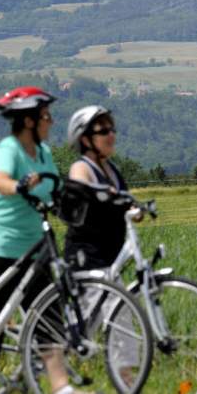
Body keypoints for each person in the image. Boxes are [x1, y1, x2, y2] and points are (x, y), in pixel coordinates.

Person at [0, 86, 88, 394]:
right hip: (0, 246)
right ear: (29, 121)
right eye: (47, 116)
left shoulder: (44, 153)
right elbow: (1, 181)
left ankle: (61, 386)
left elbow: (54, 187)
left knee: (49, 317)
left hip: (35, 246)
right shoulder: (8, 150)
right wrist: (19, 186)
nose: (52, 122)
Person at [63, 105, 133, 271]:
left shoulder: (112, 169)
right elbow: (81, 194)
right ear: (86, 140)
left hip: (111, 256)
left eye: (112, 130)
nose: (111, 135)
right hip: (87, 259)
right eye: (103, 132)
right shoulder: (81, 168)